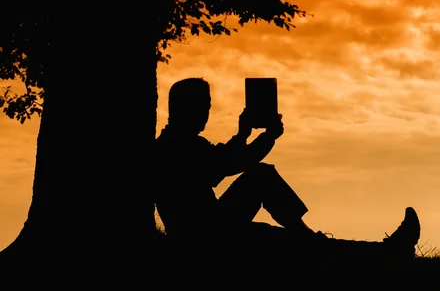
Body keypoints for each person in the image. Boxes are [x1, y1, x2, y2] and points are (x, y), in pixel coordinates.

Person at [154, 77, 420, 259]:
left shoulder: (180, 144)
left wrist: (257, 136)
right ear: (183, 109)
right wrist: (253, 135)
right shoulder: (174, 146)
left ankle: (384, 250)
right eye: (202, 107)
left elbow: (225, 161)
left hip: (211, 231)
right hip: (207, 238)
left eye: (207, 107)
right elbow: (226, 164)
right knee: (298, 238)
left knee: (296, 236)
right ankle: (386, 252)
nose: (205, 114)